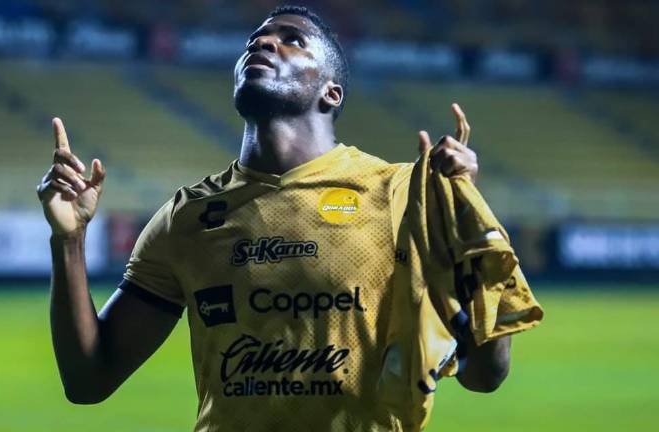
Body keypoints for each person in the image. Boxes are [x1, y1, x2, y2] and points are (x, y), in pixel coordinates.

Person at [36, 5, 539, 431]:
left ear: (331, 92)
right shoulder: (187, 218)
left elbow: (485, 374)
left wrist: (464, 225)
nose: (263, 44)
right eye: (254, 41)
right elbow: (88, 380)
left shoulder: (402, 196)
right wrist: (69, 241)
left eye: (292, 40)